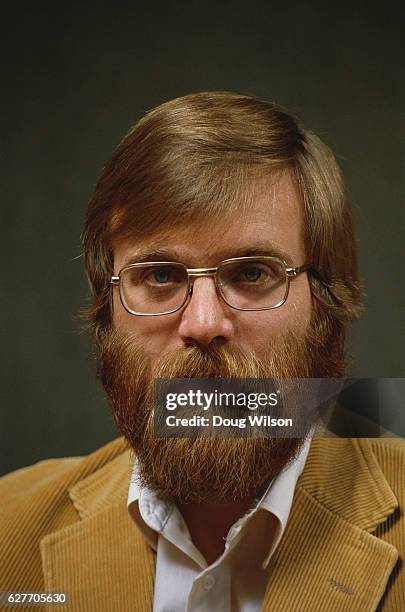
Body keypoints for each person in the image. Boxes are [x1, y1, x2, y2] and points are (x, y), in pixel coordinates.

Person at [1, 92, 404, 611]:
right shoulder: (9, 530)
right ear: (107, 307)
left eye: (253, 273)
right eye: (161, 276)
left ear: (326, 301)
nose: (204, 324)